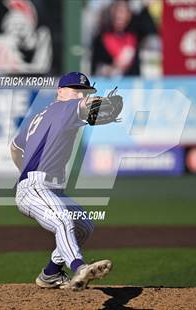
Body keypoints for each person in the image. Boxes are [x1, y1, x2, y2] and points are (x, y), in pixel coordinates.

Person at [10, 72, 123, 291]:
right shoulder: (65, 107)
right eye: (75, 90)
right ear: (59, 92)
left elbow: (15, 148)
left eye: (84, 91)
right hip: (35, 187)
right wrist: (95, 100)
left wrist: (23, 171)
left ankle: (50, 273)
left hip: (51, 188)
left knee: (85, 226)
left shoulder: (41, 115)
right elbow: (84, 105)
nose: (79, 94)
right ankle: (80, 267)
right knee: (62, 220)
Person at [91, 0, 158, 76]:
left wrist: (145, 9)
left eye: (122, 12)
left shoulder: (134, 33)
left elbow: (151, 30)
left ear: (129, 15)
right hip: (110, 84)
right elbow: (95, 66)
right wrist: (109, 69)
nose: (119, 16)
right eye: (116, 12)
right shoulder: (101, 37)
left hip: (132, 83)